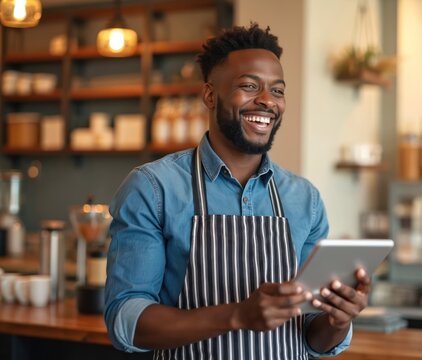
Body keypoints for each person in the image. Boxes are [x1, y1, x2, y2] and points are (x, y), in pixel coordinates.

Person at [104, 23, 370, 359]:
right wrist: (237, 315)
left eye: (277, 90)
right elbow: (125, 321)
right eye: (248, 86)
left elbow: (312, 335)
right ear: (210, 95)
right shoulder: (153, 188)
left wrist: (338, 320)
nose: (266, 101)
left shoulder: (305, 200)